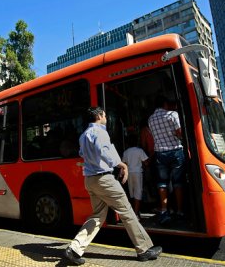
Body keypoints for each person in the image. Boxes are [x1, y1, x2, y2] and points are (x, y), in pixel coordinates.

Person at [64, 107, 162, 265]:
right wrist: (122, 164)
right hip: (104, 179)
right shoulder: (100, 132)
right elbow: (104, 151)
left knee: (97, 215)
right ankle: (143, 249)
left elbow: (82, 153)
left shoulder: (83, 135)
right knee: (127, 212)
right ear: (99, 116)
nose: (106, 118)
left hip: (90, 179)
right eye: (104, 115)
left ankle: (74, 249)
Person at [148, 95, 185, 225]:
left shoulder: (151, 119)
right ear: (165, 103)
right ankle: (179, 211)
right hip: (175, 151)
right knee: (177, 182)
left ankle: (164, 211)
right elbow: (180, 133)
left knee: (162, 183)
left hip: (160, 152)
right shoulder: (173, 115)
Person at [122, 133, 149, 218]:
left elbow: (124, 164)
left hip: (129, 173)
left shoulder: (126, 152)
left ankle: (134, 210)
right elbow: (146, 162)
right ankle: (136, 213)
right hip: (137, 173)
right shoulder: (139, 150)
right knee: (138, 192)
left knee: (132, 192)